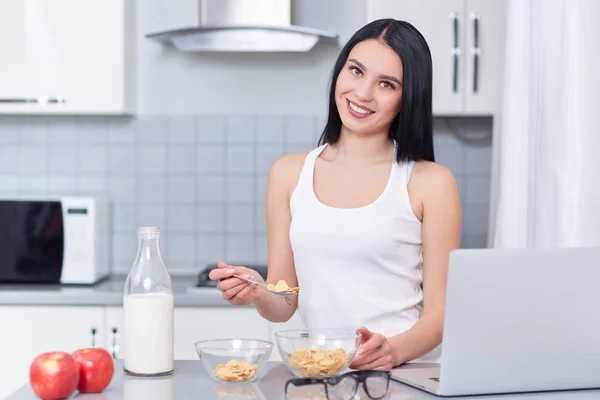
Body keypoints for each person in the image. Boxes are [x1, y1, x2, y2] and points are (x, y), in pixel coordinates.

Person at [209, 18, 461, 370]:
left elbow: (441, 314)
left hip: (407, 375)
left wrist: (393, 350)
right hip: (323, 372)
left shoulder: (431, 183)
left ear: (408, 98)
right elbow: (284, 304)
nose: (362, 93)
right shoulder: (288, 174)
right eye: (356, 71)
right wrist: (258, 292)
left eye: (386, 84)